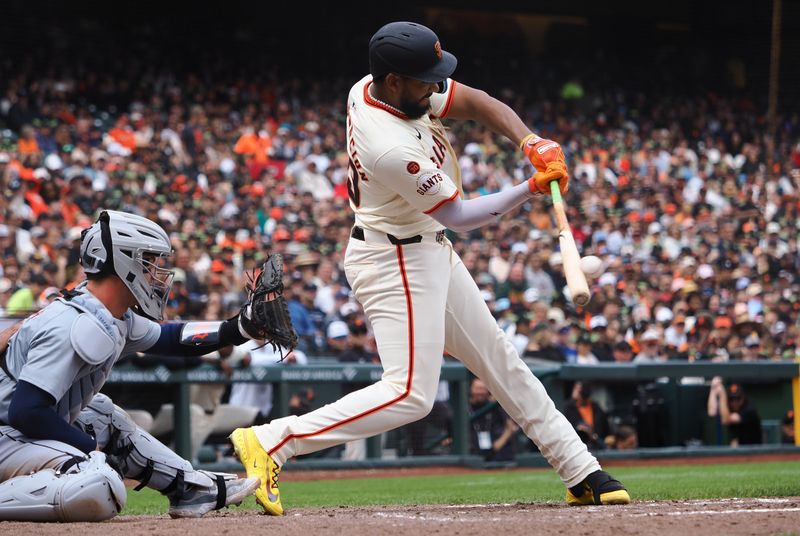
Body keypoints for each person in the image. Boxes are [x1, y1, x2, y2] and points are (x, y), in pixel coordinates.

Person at [230, 20, 629, 516]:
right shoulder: (388, 143)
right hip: (393, 255)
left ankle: (581, 471)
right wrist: (530, 188)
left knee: (500, 360)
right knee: (410, 394)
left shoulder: (378, 86)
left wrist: (530, 141)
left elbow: (477, 101)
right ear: (395, 80)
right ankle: (274, 440)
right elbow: (460, 217)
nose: (436, 86)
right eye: (426, 78)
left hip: (424, 246)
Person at [0, 210, 292, 521]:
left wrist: (239, 329)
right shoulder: (72, 326)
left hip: (19, 434)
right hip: (9, 434)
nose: (158, 273)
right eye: (150, 261)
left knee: (102, 415)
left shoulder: (107, 314)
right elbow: (26, 411)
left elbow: (171, 338)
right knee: (98, 482)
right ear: (125, 262)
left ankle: (189, 489)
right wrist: (88, 447)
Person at [468, 378, 518, 462]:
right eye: (477, 389)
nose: (480, 392)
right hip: (472, 451)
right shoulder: (465, 406)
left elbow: (510, 427)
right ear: (471, 390)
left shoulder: (495, 406)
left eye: (483, 389)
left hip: (497, 451)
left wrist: (498, 444)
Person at [707, 377, 762, 446]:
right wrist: (713, 389)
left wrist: (722, 395)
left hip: (754, 449)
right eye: (731, 399)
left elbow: (726, 420)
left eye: (737, 399)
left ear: (743, 398)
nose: (734, 402)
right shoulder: (728, 406)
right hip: (738, 448)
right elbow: (712, 412)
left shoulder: (749, 409)